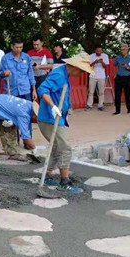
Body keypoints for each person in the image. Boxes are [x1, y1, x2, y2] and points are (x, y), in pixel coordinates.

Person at [37, 52, 94, 194]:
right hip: (49, 118)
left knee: (56, 147)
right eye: (81, 71)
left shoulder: (64, 74)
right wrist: (53, 107)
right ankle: (64, 182)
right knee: (64, 148)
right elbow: (42, 90)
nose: (82, 74)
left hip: (56, 117)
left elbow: (63, 94)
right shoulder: (59, 74)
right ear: (74, 67)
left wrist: (68, 106)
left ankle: (48, 175)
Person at [113, 44, 130, 115]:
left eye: (124, 50)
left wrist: (126, 67)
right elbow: (114, 65)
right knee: (117, 94)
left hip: (127, 77)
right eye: (121, 50)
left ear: (127, 50)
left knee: (127, 94)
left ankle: (129, 109)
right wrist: (115, 74)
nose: (122, 51)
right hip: (119, 77)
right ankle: (117, 111)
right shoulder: (118, 58)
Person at [86, 45, 109, 111]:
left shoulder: (105, 56)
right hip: (92, 75)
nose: (99, 52)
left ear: (102, 51)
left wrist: (102, 62)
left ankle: (100, 105)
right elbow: (89, 65)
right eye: (97, 51)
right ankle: (89, 105)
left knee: (101, 92)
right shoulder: (91, 56)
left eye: (100, 51)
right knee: (91, 91)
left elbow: (105, 66)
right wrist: (95, 62)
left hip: (101, 76)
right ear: (95, 51)